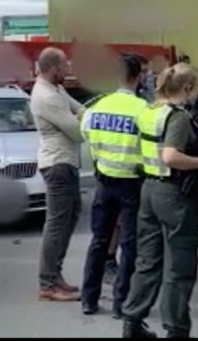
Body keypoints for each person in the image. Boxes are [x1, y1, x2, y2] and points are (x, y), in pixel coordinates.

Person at [121, 63, 198, 339]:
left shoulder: (149, 111)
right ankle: (176, 329)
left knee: (148, 259)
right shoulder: (178, 116)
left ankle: (132, 322)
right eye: (196, 88)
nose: (197, 94)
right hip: (174, 194)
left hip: (148, 189)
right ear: (186, 88)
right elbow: (170, 156)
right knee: (179, 265)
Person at [79, 54, 148, 317]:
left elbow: (86, 133)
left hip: (104, 181)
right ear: (138, 77)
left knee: (99, 241)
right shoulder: (143, 110)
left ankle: (89, 299)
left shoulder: (97, 107)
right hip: (132, 183)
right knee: (130, 244)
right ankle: (122, 303)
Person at [30, 47, 86, 302]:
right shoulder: (46, 96)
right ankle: (48, 283)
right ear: (54, 68)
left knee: (70, 217)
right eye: (65, 66)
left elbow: (81, 110)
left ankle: (55, 275)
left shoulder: (57, 90)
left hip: (66, 162)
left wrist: (86, 116)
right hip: (57, 164)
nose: (69, 70)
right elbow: (77, 130)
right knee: (57, 223)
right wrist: (87, 122)